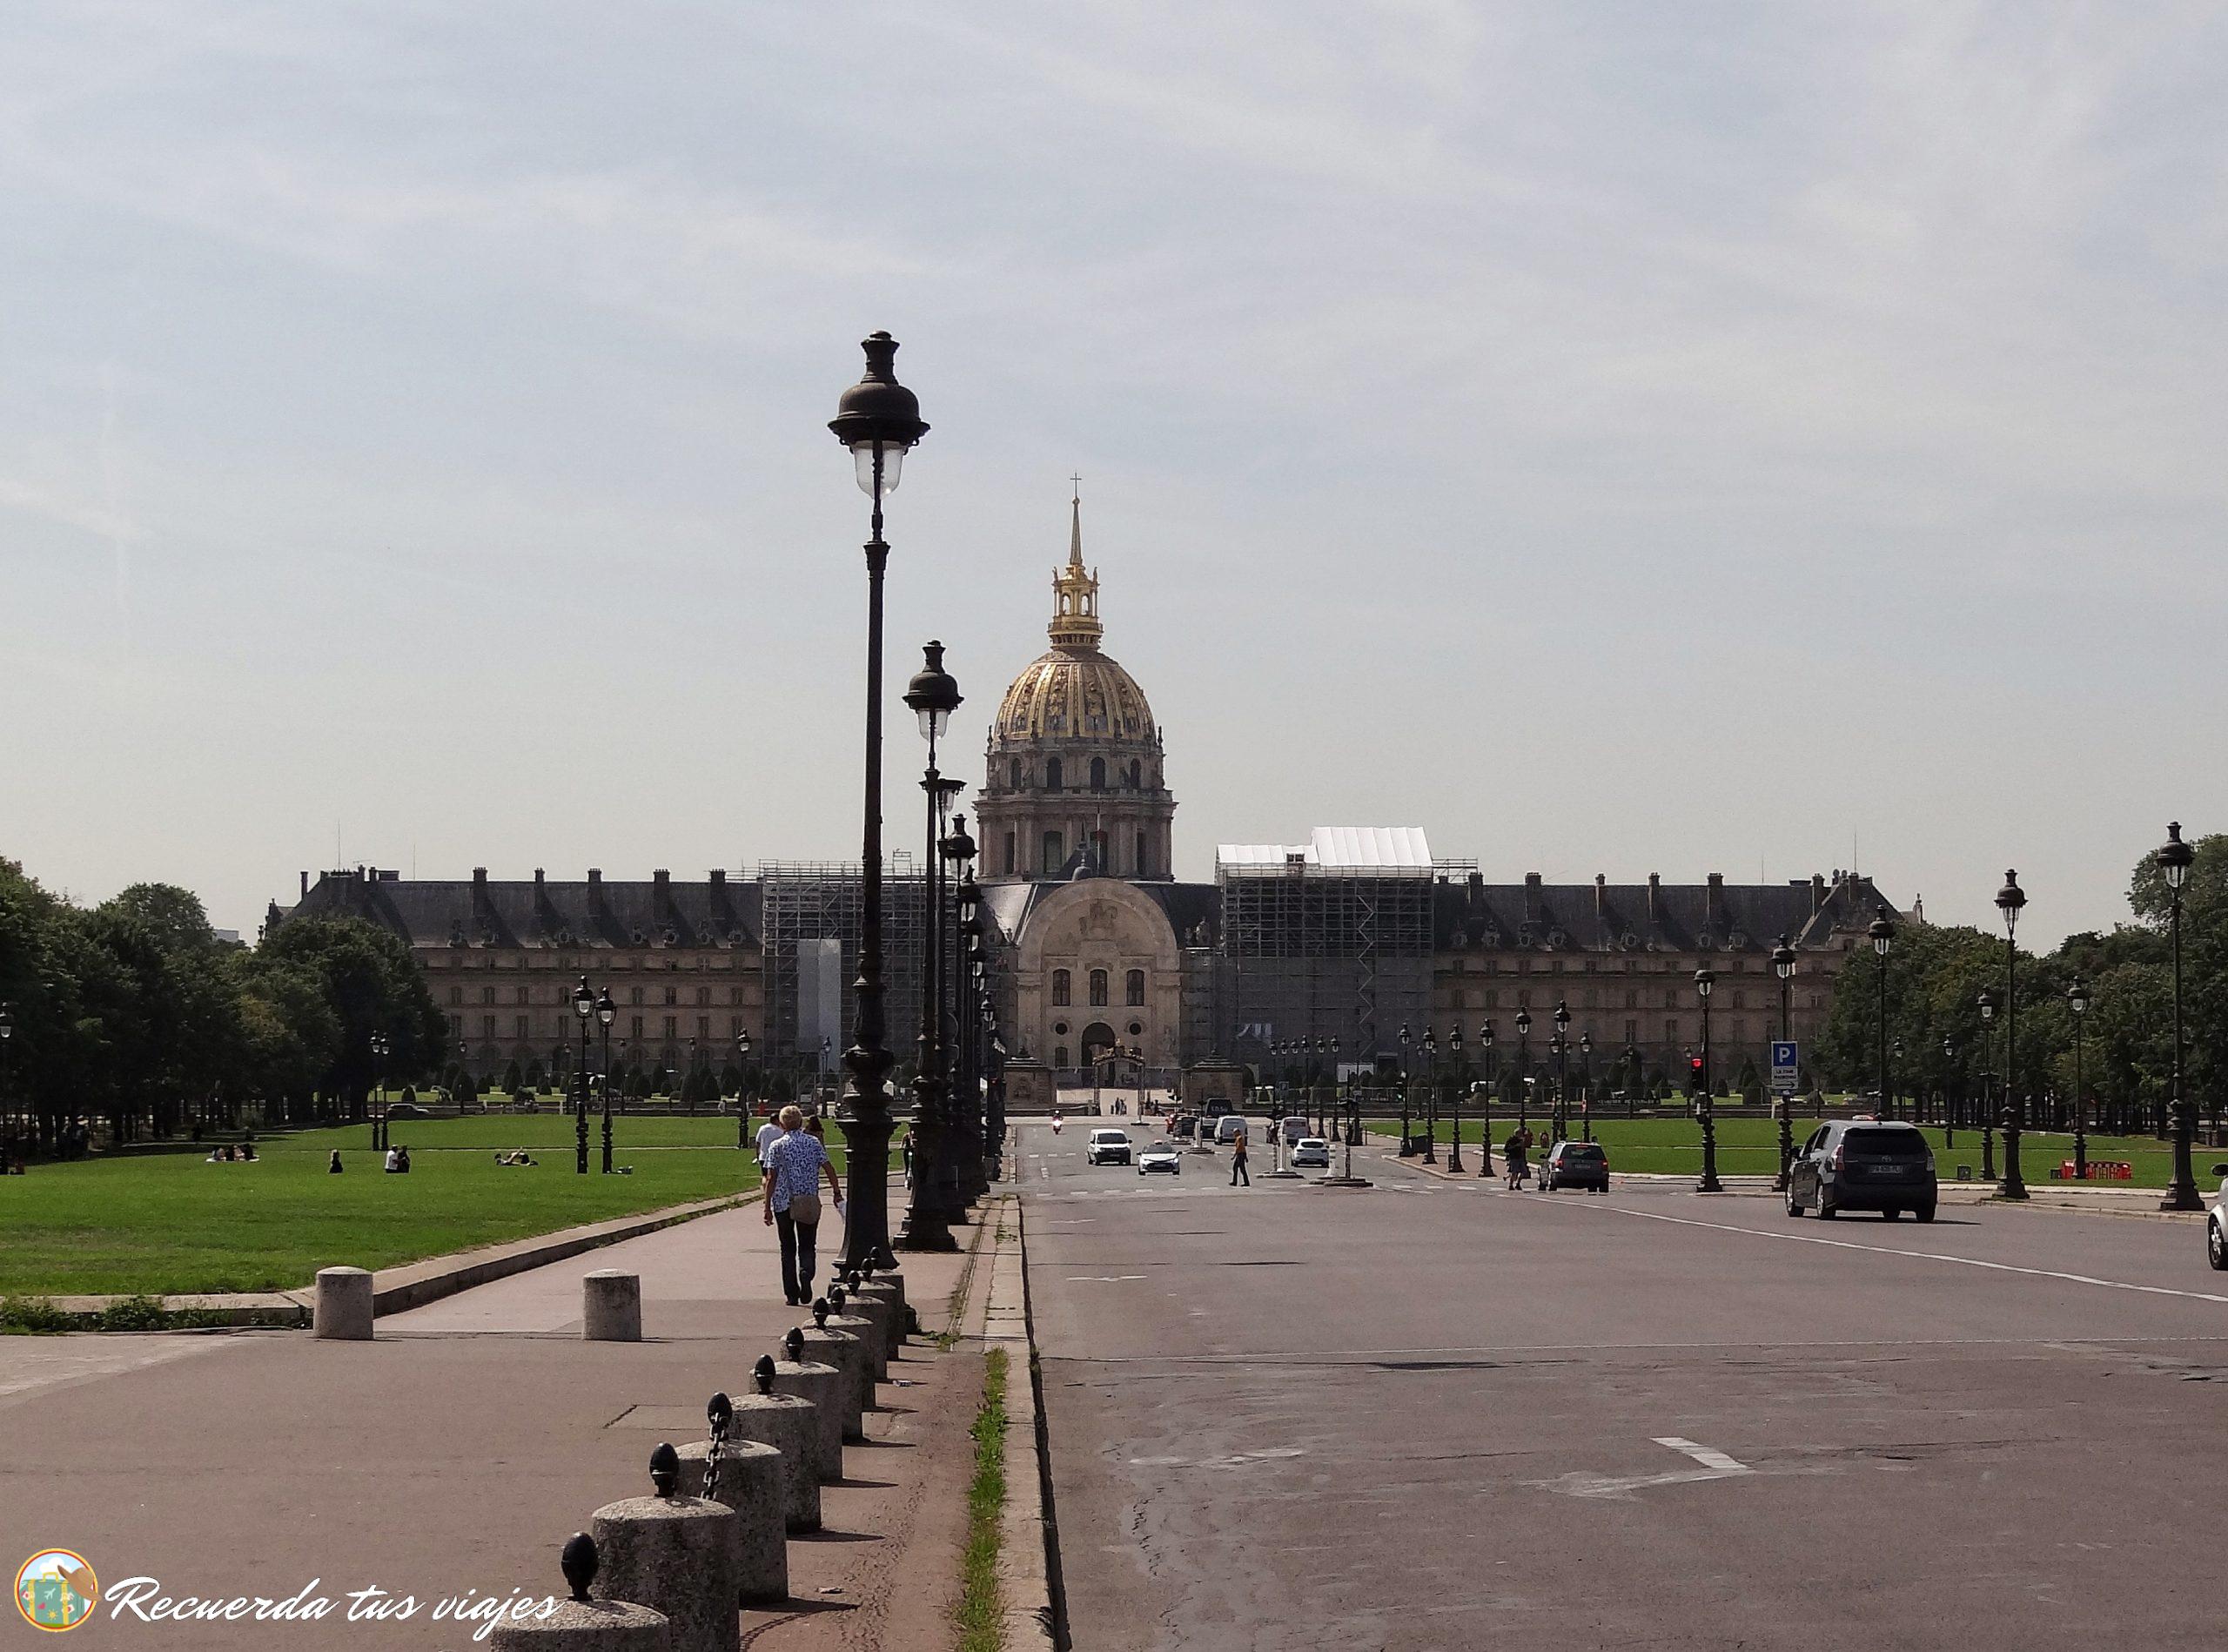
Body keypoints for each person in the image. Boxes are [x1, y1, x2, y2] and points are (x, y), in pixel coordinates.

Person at [763, 1105, 843, 1306]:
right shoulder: (813, 1143)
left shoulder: (777, 1146)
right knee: (808, 1245)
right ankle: (806, 1272)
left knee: (787, 1248)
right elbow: (829, 1168)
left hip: (783, 1202)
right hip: (807, 1200)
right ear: (800, 1122)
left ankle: (791, 1293)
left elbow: (771, 1178)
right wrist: (836, 1191)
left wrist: (766, 1206)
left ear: (782, 1124)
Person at [755, 1111, 783, 1176]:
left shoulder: (762, 1128)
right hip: (775, 1158)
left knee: (765, 1176)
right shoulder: (780, 1131)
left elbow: (758, 1142)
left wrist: (758, 1154)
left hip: (763, 1156)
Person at [1504, 1126, 1530, 1191]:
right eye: (1520, 1133)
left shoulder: (1521, 1140)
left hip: (1520, 1158)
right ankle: (1510, 1185)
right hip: (1514, 1158)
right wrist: (1515, 1147)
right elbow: (1506, 1149)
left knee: (1524, 1172)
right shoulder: (1511, 1140)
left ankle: (1518, 1184)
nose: (1521, 1135)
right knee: (1514, 1172)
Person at [1230, 1121, 1250, 1187]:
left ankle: (1246, 1182)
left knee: (1242, 1169)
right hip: (1241, 1154)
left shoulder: (1239, 1138)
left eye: (1235, 1132)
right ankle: (1234, 1182)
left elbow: (1239, 1148)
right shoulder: (1238, 1138)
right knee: (1235, 1168)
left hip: (1240, 1155)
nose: (1234, 1134)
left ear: (1238, 1132)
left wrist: (1234, 1156)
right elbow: (1243, 1148)